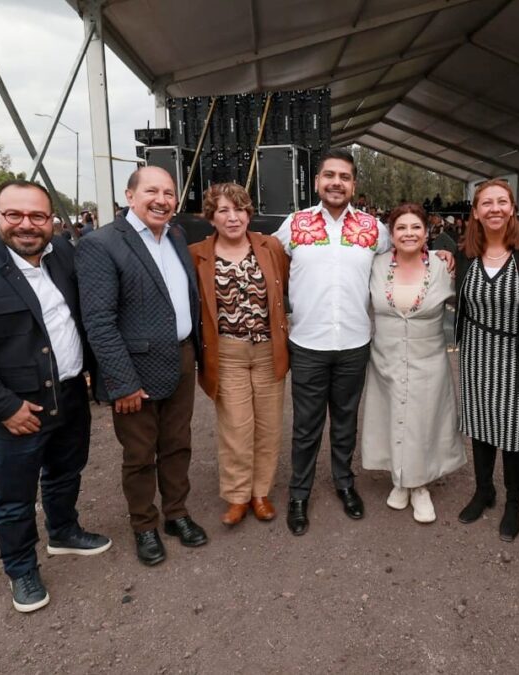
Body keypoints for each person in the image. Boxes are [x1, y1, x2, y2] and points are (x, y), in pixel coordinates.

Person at [0, 180, 110, 613]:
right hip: (16, 407)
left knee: (66, 471)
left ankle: (64, 531)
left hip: (68, 393)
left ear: (51, 220)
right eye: (15, 215)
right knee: (14, 496)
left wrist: (88, 371)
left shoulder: (64, 256)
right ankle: (21, 569)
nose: (27, 225)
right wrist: (5, 407)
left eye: (37, 216)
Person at [273, 148, 453, 536]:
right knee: (306, 426)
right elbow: (265, 258)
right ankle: (299, 493)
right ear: (317, 181)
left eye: (345, 177)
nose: (336, 182)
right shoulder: (294, 225)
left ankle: (343, 482)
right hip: (308, 343)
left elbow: (408, 250)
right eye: (329, 176)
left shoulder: (374, 229)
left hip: (355, 344)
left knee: (345, 422)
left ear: (354, 184)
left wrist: (435, 253)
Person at [76, 166, 207, 566]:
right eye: (152, 191)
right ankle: (144, 525)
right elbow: (99, 322)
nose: (162, 200)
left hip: (181, 358)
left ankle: (176, 514)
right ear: (129, 196)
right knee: (139, 454)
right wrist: (123, 382)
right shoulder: (101, 244)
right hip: (134, 370)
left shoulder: (176, 236)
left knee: (178, 445)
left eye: (168, 193)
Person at [455, 178, 519, 542]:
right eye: (486, 203)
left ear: (512, 208)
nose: (494, 209)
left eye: (501, 202)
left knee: (513, 430)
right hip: (475, 351)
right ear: (476, 212)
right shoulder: (466, 252)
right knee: (480, 424)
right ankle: (484, 491)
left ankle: (514, 501)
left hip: (516, 354)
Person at [188, 183, 290, 526]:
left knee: (269, 425)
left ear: (249, 213)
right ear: (211, 218)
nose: (233, 217)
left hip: (267, 350)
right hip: (227, 353)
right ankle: (237, 496)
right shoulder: (196, 253)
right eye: (223, 211)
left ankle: (260, 493)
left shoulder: (270, 246)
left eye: (240, 209)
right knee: (236, 427)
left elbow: (289, 283)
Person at [360, 203, 465, 523]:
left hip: (428, 358)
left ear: (427, 231)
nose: (408, 233)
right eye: (401, 228)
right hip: (386, 357)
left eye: (415, 227)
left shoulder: (443, 266)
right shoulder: (375, 265)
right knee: (391, 416)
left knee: (423, 422)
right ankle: (399, 479)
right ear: (391, 234)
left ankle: (418, 486)